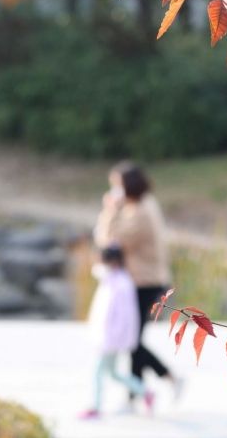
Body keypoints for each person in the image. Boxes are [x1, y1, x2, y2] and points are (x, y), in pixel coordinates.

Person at [93, 162, 182, 397]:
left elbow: (109, 242)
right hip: (147, 281)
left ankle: (167, 379)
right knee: (133, 341)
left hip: (145, 284)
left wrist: (110, 210)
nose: (113, 190)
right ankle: (139, 393)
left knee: (131, 341)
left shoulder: (139, 213)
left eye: (115, 185)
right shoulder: (143, 205)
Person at [79, 244, 155, 419]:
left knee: (98, 371)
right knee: (113, 373)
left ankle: (95, 407)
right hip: (106, 336)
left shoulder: (121, 283)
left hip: (111, 338)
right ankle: (145, 392)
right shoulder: (111, 280)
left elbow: (123, 316)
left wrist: (114, 337)